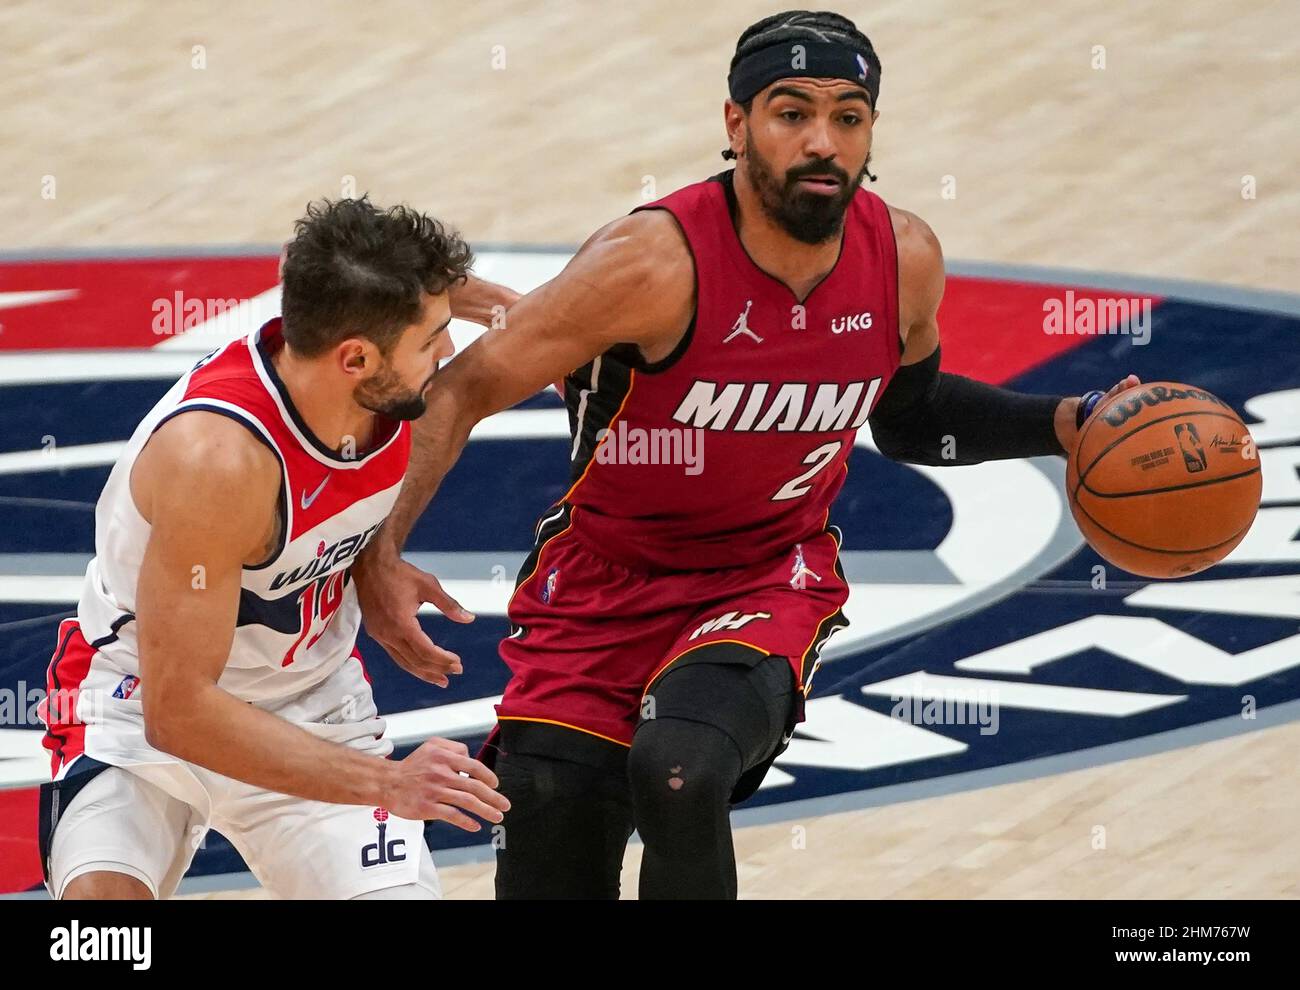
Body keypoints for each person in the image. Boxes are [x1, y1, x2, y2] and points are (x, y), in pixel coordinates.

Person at [354, 10, 1139, 899]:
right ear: (736, 126)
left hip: (766, 579)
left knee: (678, 772)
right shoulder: (648, 264)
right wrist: (382, 554)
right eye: (791, 112)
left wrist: (1063, 421)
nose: (822, 141)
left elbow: (911, 418)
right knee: (547, 823)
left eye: (848, 117)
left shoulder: (903, 257)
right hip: (602, 583)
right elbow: (457, 390)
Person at [38, 197, 512, 900]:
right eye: (432, 337)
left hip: (311, 706)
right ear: (357, 357)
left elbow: (334, 260)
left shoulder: (353, 339)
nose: (448, 350)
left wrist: (376, 558)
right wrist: (390, 782)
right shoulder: (216, 462)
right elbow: (181, 712)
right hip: (144, 707)